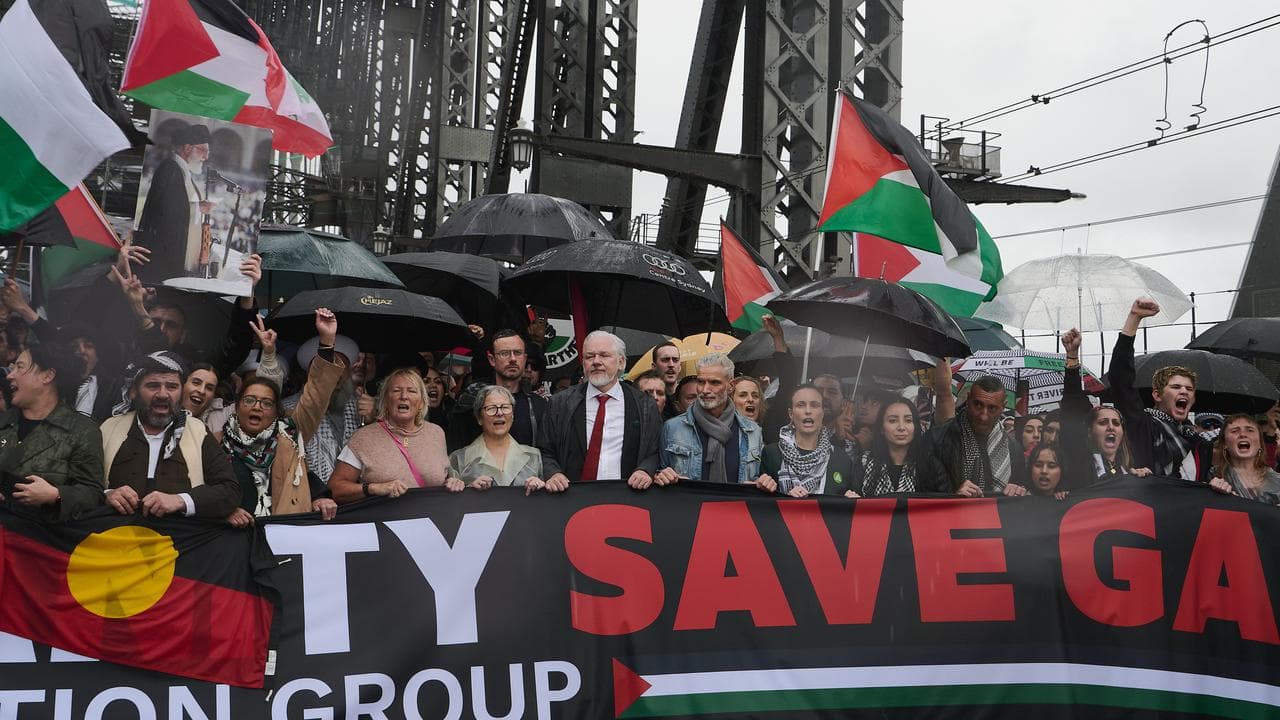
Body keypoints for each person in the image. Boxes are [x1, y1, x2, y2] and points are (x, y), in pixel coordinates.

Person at [216, 309, 346, 525]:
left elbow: (316, 394)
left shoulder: (291, 434)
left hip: (283, 539)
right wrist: (224, 510)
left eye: (266, 403)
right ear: (237, 406)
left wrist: (327, 341)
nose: (257, 407)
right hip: (232, 541)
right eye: (250, 400)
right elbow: (200, 493)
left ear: (277, 410)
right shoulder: (216, 442)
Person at [101, 354, 240, 518]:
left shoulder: (198, 431)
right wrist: (107, 495)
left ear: (181, 392)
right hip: (115, 535)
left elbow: (230, 490)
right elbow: (84, 486)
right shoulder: (109, 428)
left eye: (172, 387)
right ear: (134, 391)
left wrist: (181, 500)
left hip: (180, 539)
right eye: (153, 386)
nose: (162, 394)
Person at [537, 330, 662, 490]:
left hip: (627, 498)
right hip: (572, 498)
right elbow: (544, 450)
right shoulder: (560, 403)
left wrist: (645, 470)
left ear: (621, 362)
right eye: (589, 356)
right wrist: (553, 473)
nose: (596, 361)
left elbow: (655, 450)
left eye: (604, 355)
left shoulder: (644, 405)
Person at [1107, 298, 1212, 481]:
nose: (1184, 391)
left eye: (1189, 388)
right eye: (1176, 387)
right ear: (1157, 395)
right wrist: (1134, 318)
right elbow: (1120, 380)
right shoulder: (1142, 425)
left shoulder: (1199, 443)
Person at [0, 344, 105, 521]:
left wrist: (55, 494)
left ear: (47, 375)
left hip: (40, 536)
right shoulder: (3, 421)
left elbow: (93, 493)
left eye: (20, 367)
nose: (10, 375)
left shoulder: (81, 430)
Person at [330, 369, 463, 502]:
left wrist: (452, 483)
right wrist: (373, 488)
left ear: (422, 403)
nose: (404, 396)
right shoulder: (363, 437)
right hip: (383, 520)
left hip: (430, 520)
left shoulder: (436, 433)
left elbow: (440, 478)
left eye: (412, 391)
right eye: (396, 391)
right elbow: (335, 489)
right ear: (386, 401)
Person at [656, 354, 773, 491]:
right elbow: (659, 474)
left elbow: (759, 479)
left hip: (736, 511)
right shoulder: (673, 428)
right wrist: (661, 476)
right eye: (701, 382)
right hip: (689, 510)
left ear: (731, 385)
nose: (705, 390)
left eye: (714, 383)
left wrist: (766, 482)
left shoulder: (753, 431)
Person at [1059, 327, 1152, 481]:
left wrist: (1143, 478)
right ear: (1090, 432)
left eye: (1116, 423)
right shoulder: (1079, 464)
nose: (1111, 427)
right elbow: (1072, 403)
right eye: (1102, 422)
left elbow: (1123, 381)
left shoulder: (1134, 468)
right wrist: (1072, 356)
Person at [132, 123, 215, 285]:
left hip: (170, 249)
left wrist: (198, 205)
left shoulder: (180, 170)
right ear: (187, 148)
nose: (206, 157)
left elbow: (175, 203)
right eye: (203, 150)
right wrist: (199, 207)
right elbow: (167, 211)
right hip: (163, 253)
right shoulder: (171, 169)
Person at [282, 330, 363, 486]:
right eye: (329, 369)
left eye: (341, 367)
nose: (335, 375)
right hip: (312, 494)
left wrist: (374, 418)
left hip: (354, 494)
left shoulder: (359, 406)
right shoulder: (289, 407)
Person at [927, 374, 1029, 497]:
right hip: (953, 514)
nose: (983, 416)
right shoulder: (937, 439)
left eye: (992, 408)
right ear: (968, 399)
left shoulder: (1014, 448)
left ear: (1003, 406)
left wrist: (1017, 490)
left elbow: (1020, 494)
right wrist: (954, 495)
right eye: (978, 405)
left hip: (997, 515)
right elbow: (925, 492)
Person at [448, 385, 549, 493]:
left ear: (513, 415)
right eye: (491, 408)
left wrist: (541, 490)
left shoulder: (534, 457)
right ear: (479, 418)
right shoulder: (458, 460)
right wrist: (469, 491)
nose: (499, 413)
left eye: (505, 407)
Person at [760, 384, 852, 497]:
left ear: (823, 412)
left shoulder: (842, 460)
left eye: (814, 405)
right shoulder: (771, 453)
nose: (808, 411)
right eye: (801, 405)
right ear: (791, 414)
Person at [854, 397, 949, 496]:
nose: (901, 427)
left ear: (915, 427)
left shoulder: (930, 465)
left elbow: (944, 504)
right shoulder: (864, 462)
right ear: (881, 428)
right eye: (892, 421)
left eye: (908, 420)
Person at [1207, 415, 1280, 505]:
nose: (1243, 434)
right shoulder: (1213, 475)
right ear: (1225, 444)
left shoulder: (1277, 480)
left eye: (1250, 430)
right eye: (1235, 431)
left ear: (1260, 443)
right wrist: (1215, 495)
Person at [651, 341, 682, 417]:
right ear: (654, 366)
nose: (671, 365)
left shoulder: (690, 396)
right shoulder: (647, 399)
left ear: (680, 366)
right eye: (665, 360)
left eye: (675, 360)